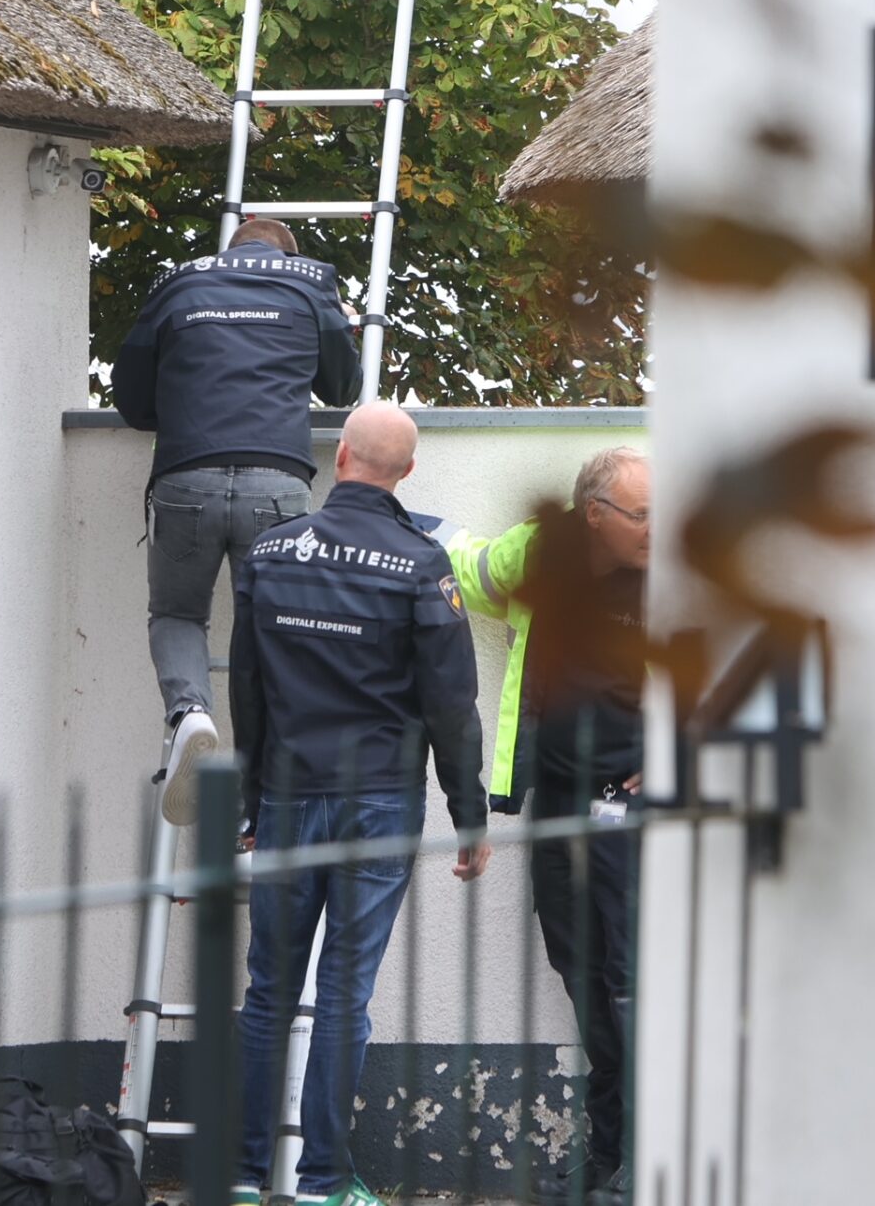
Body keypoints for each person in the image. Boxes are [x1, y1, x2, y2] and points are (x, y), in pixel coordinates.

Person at [229, 401, 491, 1206]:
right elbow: (452, 704)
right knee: (344, 993)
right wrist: (470, 812)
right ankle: (321, 1185)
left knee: (268, 991)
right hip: (377, 800)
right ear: (406, 471)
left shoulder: (271, 552)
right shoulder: (420, 563)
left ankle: (241, 1178)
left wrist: (251, 803)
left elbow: (247, 686)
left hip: (287, 796)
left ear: (339, 455)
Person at [446, 446, 651, 1206]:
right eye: (640, 513)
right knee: (583, 976)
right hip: (557, 803)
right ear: (591, 516)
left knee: (633, 983)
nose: (654, 527)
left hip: (629, 812)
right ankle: (604, 1157)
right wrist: (417, 527)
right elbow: (476, 571)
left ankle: (642, 1157)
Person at [111, 218, 362, 824]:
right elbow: (343, 388)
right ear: (286, 253)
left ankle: (189, 713)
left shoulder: (179, 281)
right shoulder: (312, 283)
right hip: (277, 484)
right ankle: (262, 796)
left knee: (177, 613)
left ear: (232, 250)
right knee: (273, 630)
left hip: (185, 477)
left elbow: (132, 398)